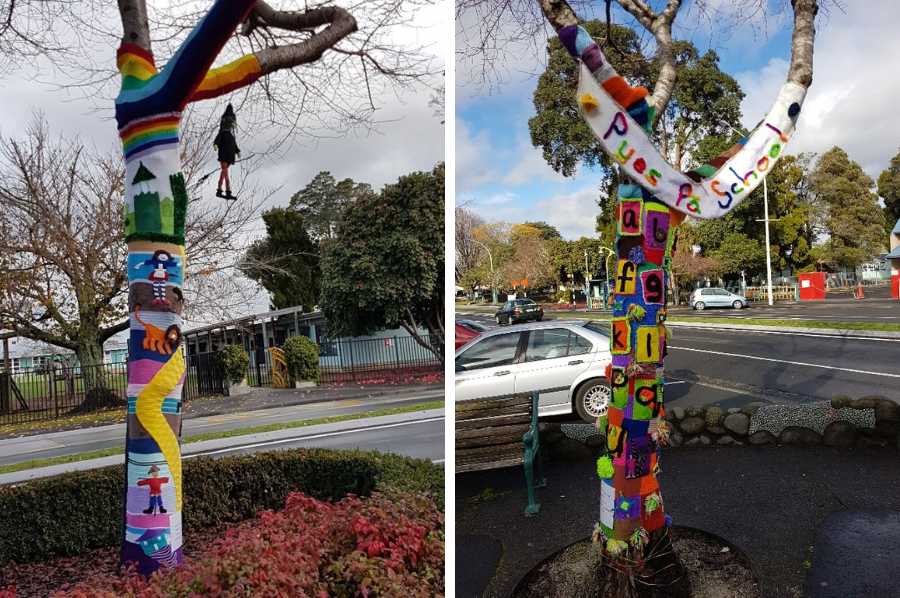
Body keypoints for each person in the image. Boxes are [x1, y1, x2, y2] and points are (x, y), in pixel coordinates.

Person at [214, 104, 240, 199]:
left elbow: (234, 143)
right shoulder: (223, 134)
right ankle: (227, 191)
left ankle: (220, 190)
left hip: (229, 155)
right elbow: (218, 139)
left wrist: (237, 150)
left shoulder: (231, 136)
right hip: (225, 154)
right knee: (225, 171)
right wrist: (216, 144)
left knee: (224, 172)